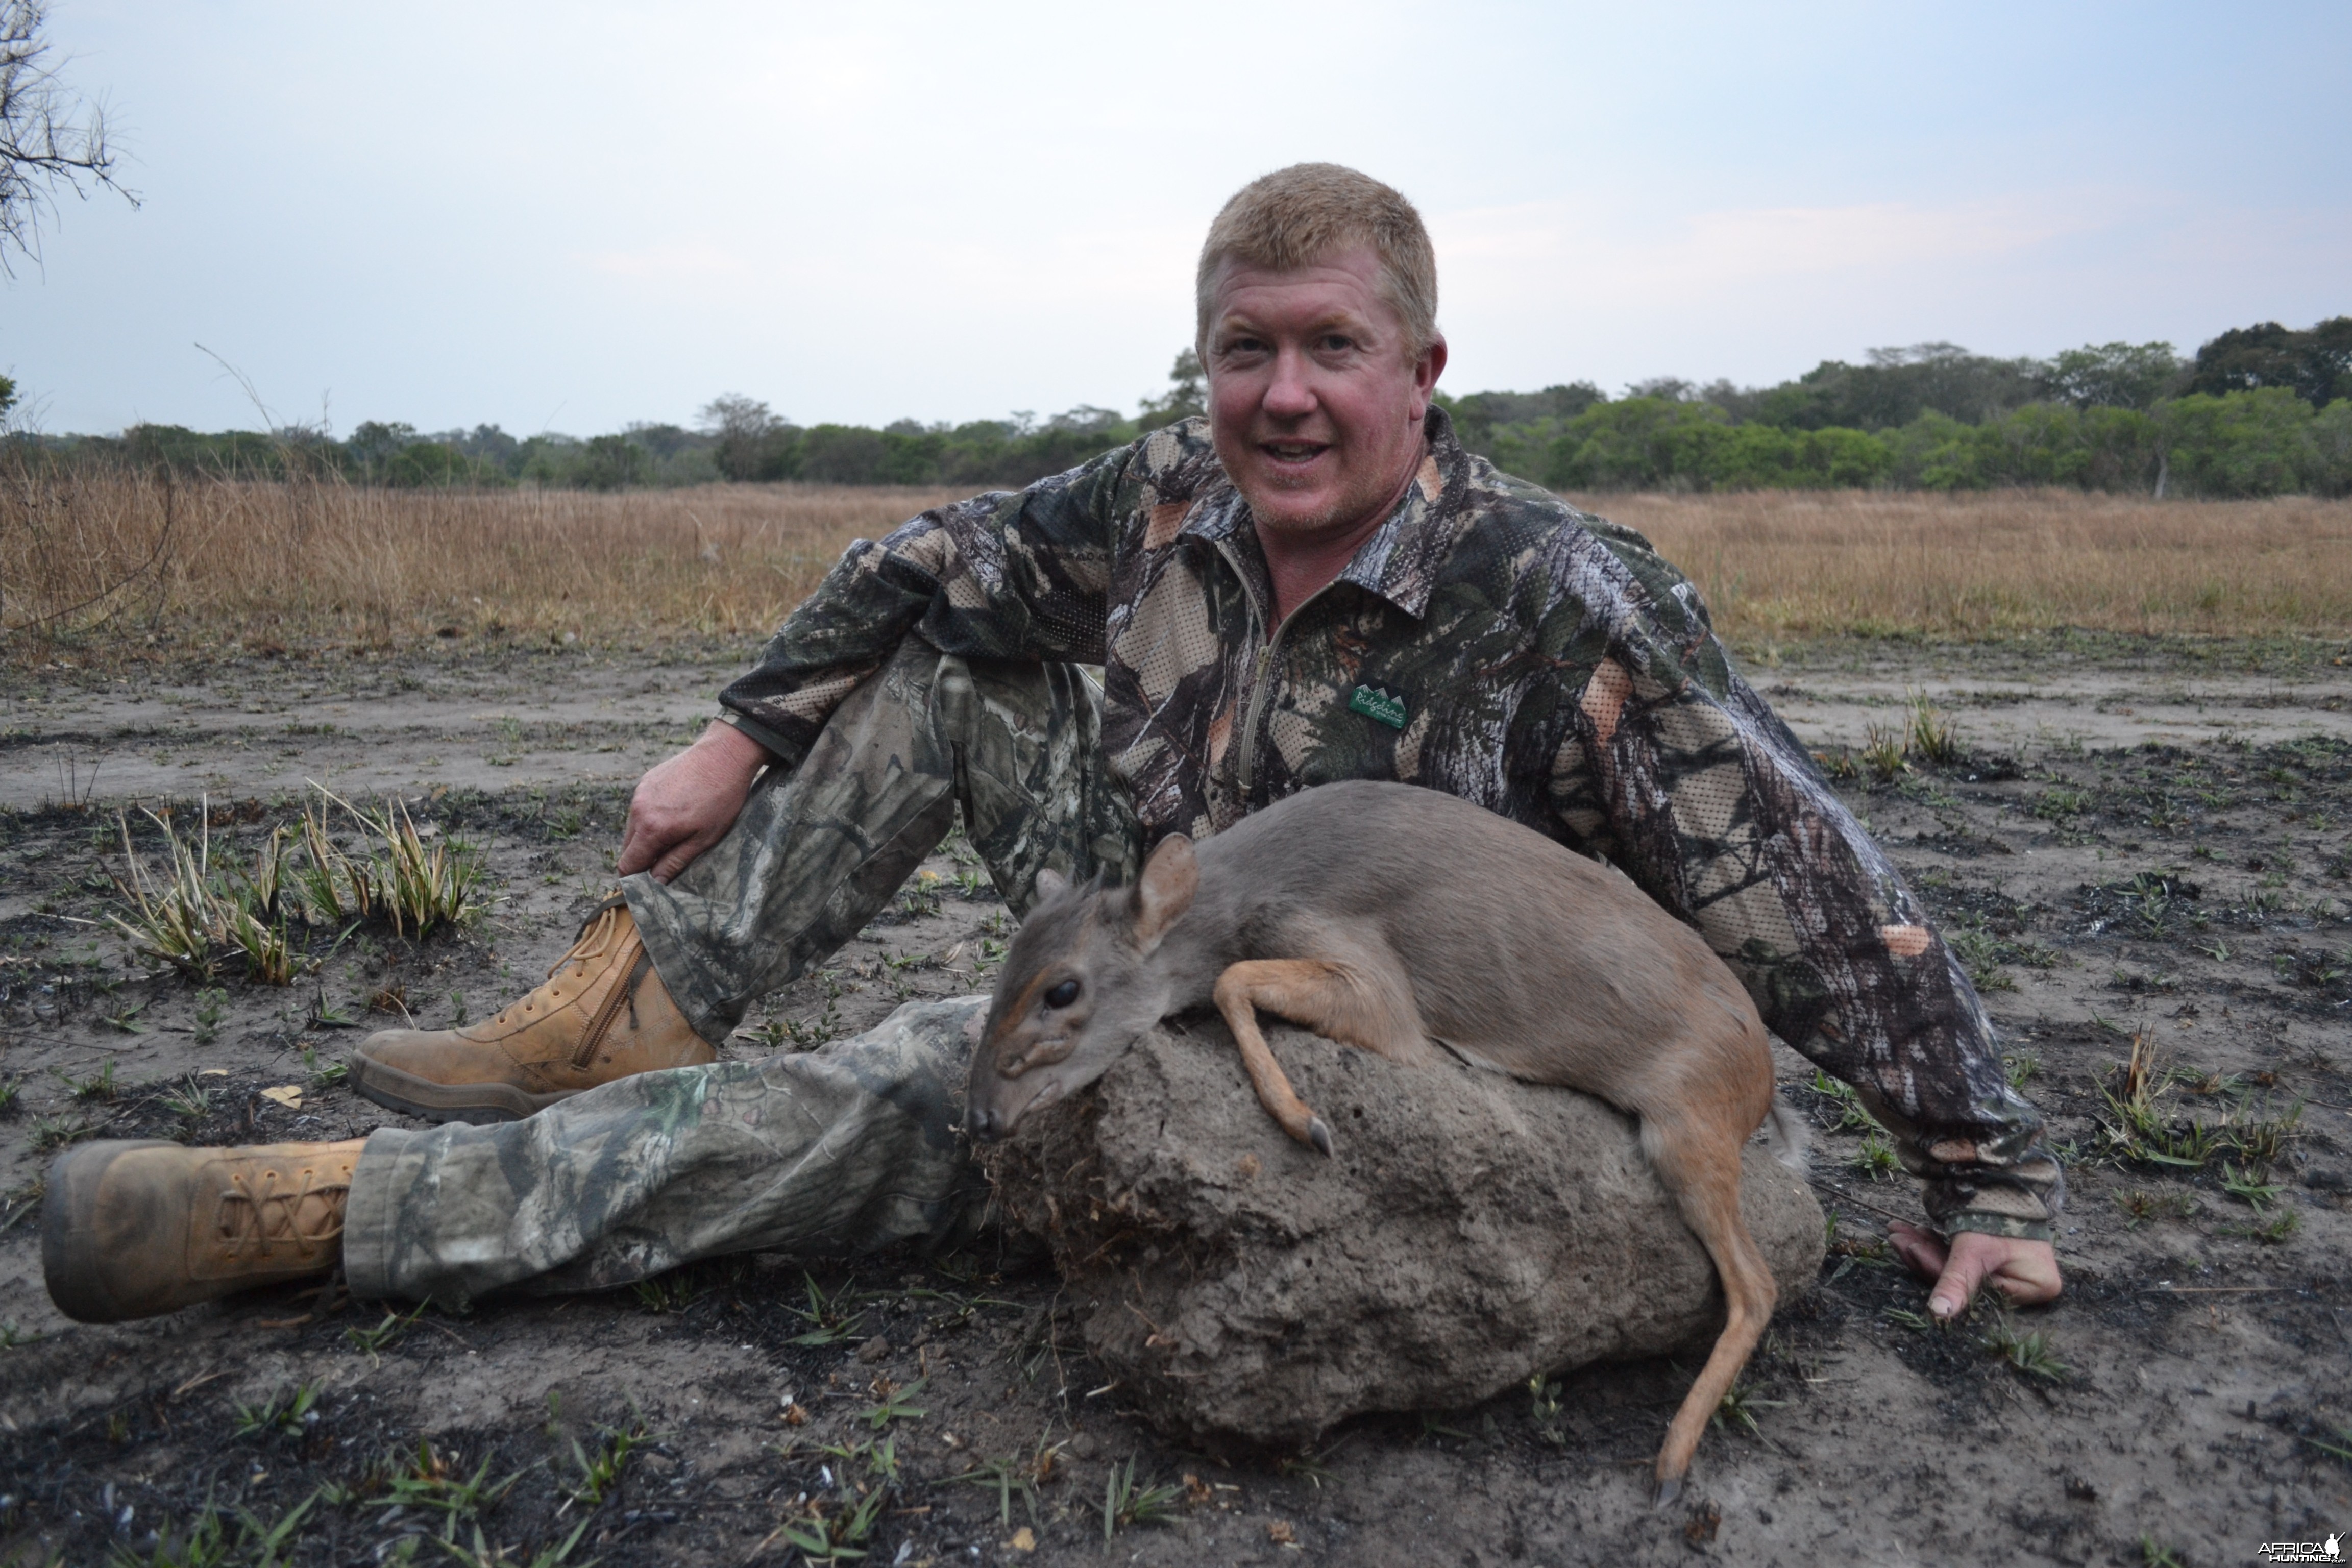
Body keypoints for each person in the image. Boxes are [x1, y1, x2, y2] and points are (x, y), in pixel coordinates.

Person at [41, 164, 2062, 1328]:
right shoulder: (1175, 485)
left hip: (1379, 1052)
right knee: (964, 664)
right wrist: (736, 741)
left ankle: (328, 1211)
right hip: (1183, 922)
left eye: (1329, 349)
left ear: (1424, 372)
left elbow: (1809, 888)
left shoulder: (1558, 594)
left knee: (895, 1096)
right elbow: (929, 557)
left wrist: (1981, 1166)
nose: (1278, 396)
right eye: (1242, 349)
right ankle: (633, 1002)